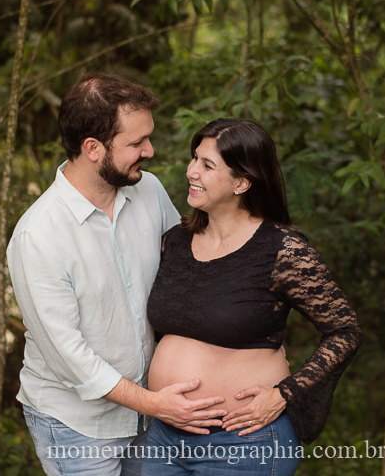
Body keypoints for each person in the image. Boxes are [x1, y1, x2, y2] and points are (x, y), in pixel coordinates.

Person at [7, 72, 228, 476]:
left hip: (151, 415)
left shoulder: (149, 190)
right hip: (76, 425)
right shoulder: (37, 236)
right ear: (93, 148)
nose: (150, 150)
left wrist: (251, 339)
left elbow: (190, 273)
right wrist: (154, 403)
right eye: (136, 143)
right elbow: (69, 357)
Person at [143, 118, 363, 475]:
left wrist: (284, 394)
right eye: (194, 158)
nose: (191, 171)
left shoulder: (282, 250)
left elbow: (346, 331)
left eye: (207, 165)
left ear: (242, 182)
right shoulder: (175, 241)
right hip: (164, 439)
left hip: (243, 443)